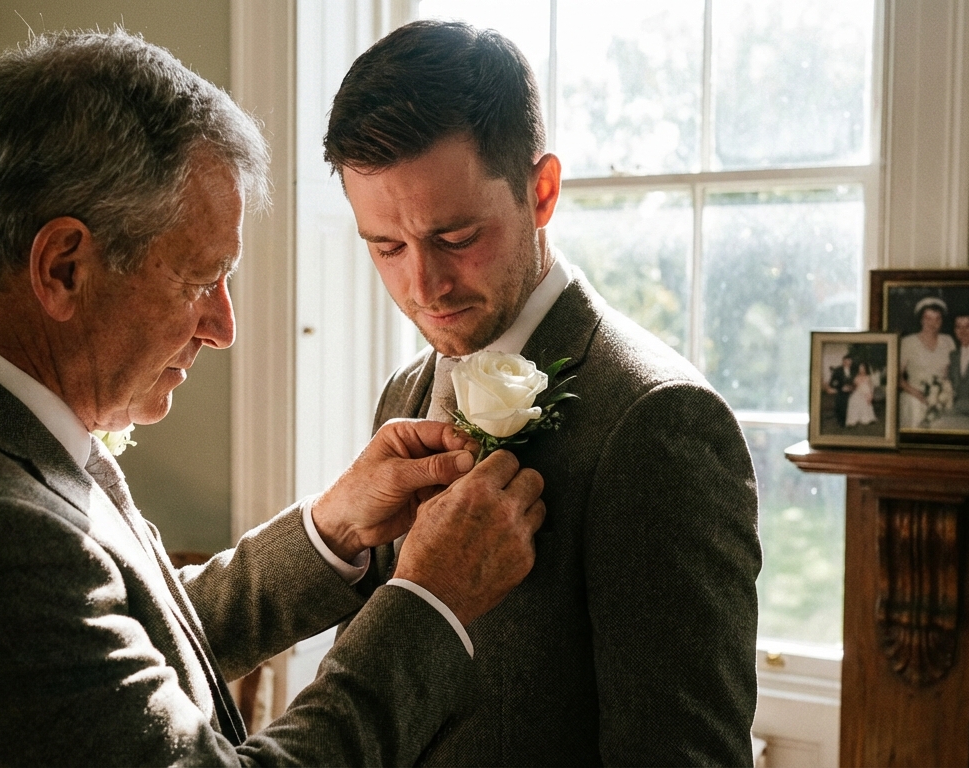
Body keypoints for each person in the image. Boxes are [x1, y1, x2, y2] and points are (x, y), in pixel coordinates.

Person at [0, 29, 546, 766]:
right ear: (64, 267)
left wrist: (331, 529)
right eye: (199, 279)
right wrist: (427, 603)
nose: (223, 326)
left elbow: (117, 649)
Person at [324, 20, 761, 765]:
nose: (422, 286)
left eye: (456, 237)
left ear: (542, 190)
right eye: (386, 247)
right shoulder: (406, 392)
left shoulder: (660, 423)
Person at [899, 298, 955, 429]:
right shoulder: (908, 342)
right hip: (914, 395)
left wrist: (944, 393)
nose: (932, 323)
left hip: (941, 397)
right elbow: (896, 377)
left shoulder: (948, 341)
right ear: (921, 320)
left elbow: (952, 372)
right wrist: (915, 392)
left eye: (937, 319)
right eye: (928, 318)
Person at [827, 353, 856, 427]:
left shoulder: (854, 370)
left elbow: (856, 382)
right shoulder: (838, 370)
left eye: (849, 361)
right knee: (841, 402)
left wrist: (852, 387)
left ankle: (852, 420)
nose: (847, 363)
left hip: (852, 392)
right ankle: (842, 421)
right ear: (843, 361)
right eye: (845, 361)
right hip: (841, 392)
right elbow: (832, 383)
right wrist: (841, 388)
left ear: (851, 362)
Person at [845, 361, 877, 427]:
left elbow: (871, 388)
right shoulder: (856, 377)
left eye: (863, 368)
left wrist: (870, 396)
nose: (861, 370)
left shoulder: (868, 377)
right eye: (860, 368)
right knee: (853, 400)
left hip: (866, 393)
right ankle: (853, 419)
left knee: (864, 401)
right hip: (858, 392)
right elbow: (854, 387)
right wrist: (849, 388)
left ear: (865, 369)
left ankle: (866, 418)